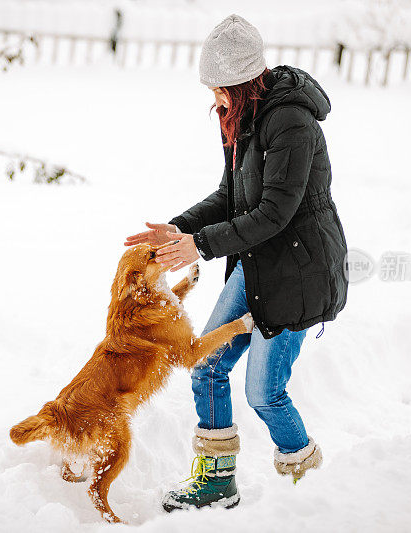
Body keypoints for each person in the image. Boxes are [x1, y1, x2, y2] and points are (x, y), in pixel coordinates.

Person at [124, 14, 348, 511]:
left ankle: (306, 482)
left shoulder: (291, 121)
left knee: (265, 394)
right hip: (259, 263)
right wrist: (181, 228)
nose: (215, 98)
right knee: (205, 365)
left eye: (220, 87)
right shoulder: (244, 118)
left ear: (243, 81)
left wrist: (201, 246)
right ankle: (217, 481)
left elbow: (275, 212)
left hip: (299, 272)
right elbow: (232, 195)